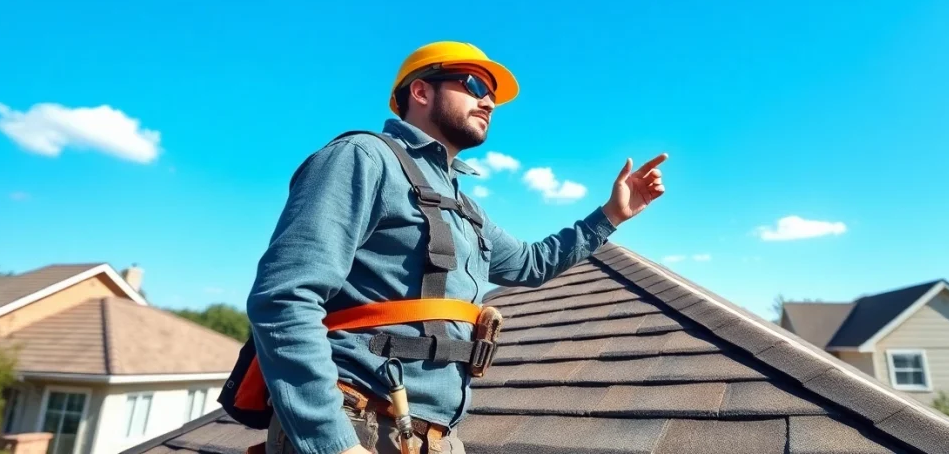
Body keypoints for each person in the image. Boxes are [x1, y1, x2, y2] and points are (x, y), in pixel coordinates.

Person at [246, 41, 667, 454]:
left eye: (493, 95)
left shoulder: (464, 207)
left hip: (432, 437)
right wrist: (332, 442)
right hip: (359, 423)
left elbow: (531, 264)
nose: (489, 102)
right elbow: (284, 298)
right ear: (420, 91)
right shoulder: (362, 158)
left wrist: (610, 215)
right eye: (475, 85)